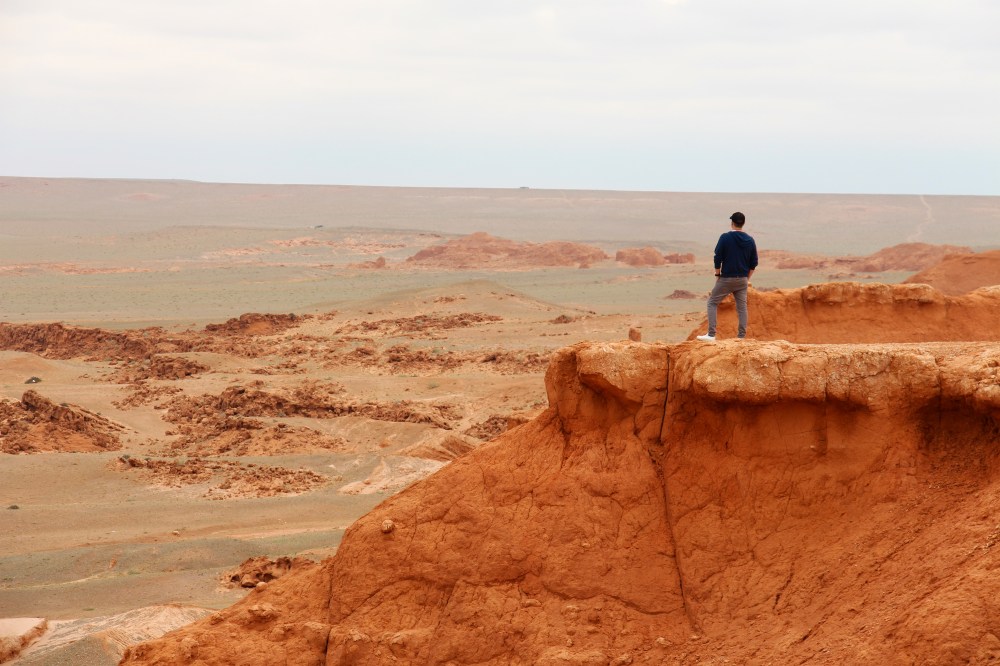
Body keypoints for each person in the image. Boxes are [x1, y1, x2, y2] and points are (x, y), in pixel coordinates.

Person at [696, 211, 758, 341]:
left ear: (732, 223)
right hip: (742, 279)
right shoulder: (750, 240)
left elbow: (717, 257)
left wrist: (717, 274)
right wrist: (746, 279)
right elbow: (754, 263)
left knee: (712, 302)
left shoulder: (725, 237)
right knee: (742, 308)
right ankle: (741, 337)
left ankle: (711, 334)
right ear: (743, 223)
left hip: (727, 278)